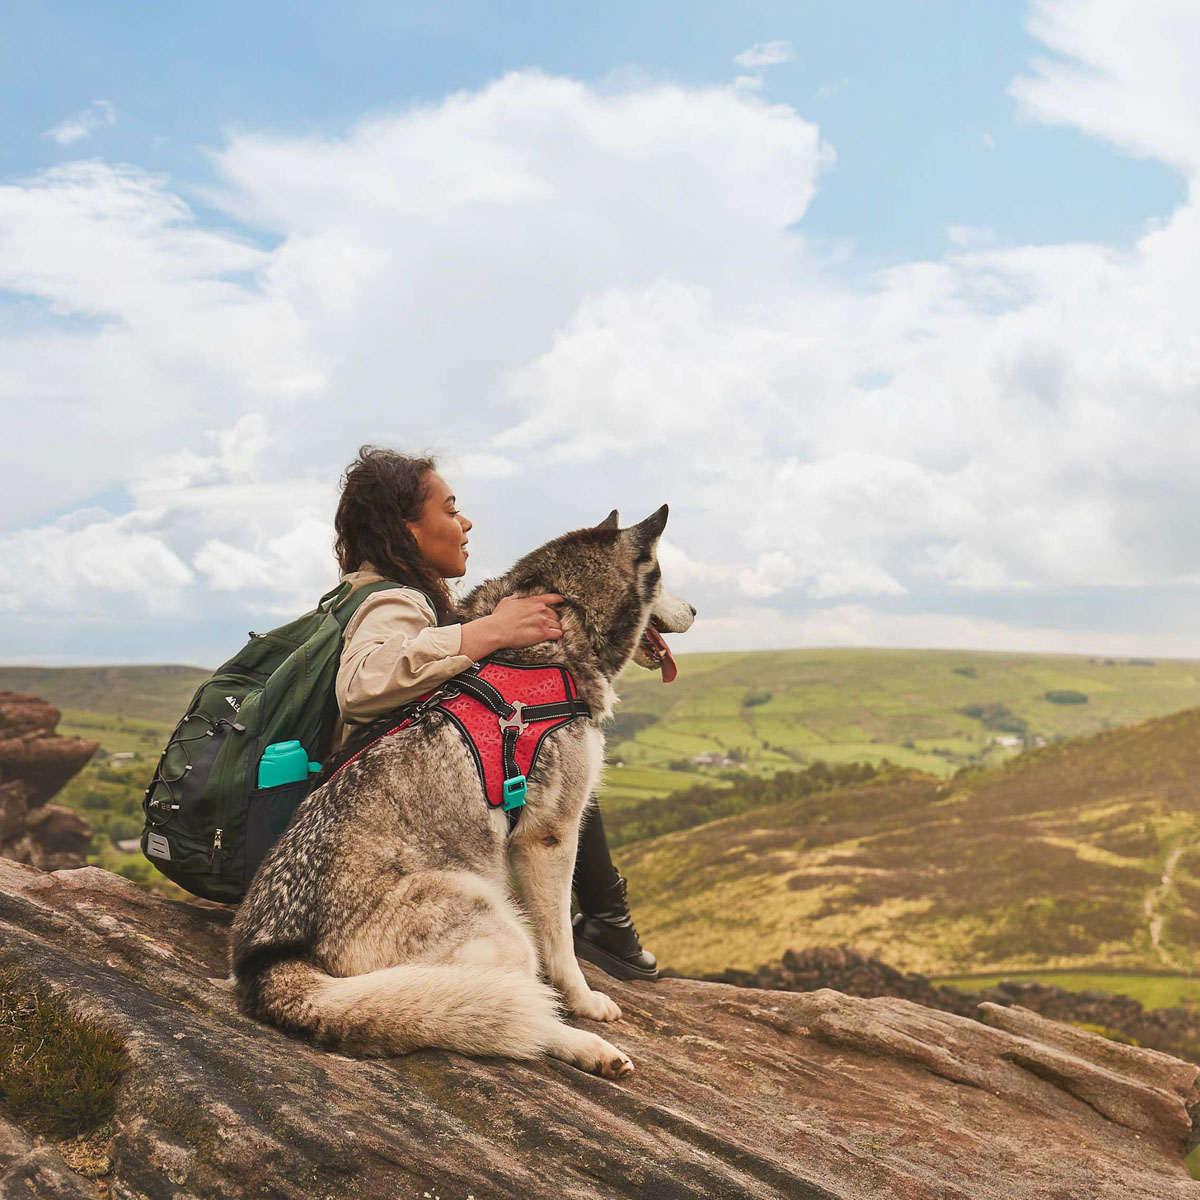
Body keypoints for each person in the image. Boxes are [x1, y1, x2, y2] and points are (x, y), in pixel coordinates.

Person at [330, 445, 658, 981]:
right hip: (378, 845)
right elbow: (362, 687)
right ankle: (608, 923)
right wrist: (492, 631)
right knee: (553, 740)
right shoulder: (396, 602)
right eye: (451, 508)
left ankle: (605, 922)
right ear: (406, 530)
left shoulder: (358, 593)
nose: (467, 521)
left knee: (549, 746)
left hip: (382, 831)